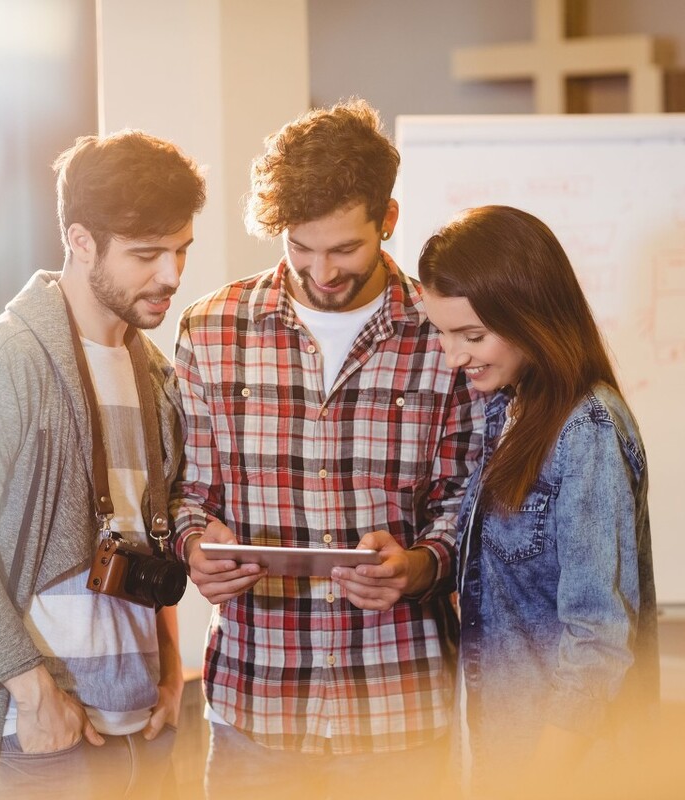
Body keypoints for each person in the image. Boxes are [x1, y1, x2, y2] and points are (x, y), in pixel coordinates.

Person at [169, 98, 482, 800]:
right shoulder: (212, 329)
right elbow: (188, 491)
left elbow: (468, 497)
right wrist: (194, 545)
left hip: (397, 707)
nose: (323, 270)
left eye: (345, 248)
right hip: (256, 705)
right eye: (300, 248)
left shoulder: (444, 330)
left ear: (388, 220)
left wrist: (422, 565)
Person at [0, 130, 206, 800]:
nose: (172, 276)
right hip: (33, 738)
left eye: (180, 251)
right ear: (80, 240)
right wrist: (33, 693)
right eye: (147, 255)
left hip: (140, 729)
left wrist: (172, 671)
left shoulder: (157, 373)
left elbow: (149, 532)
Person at [416, 205, 659, 798]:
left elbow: (598, 639)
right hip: (508, 752)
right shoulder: (511, 405)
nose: (455, 357)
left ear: (532, 316)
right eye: (443, 334)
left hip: (565, 770)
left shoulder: (587, 428)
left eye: (472, 336)